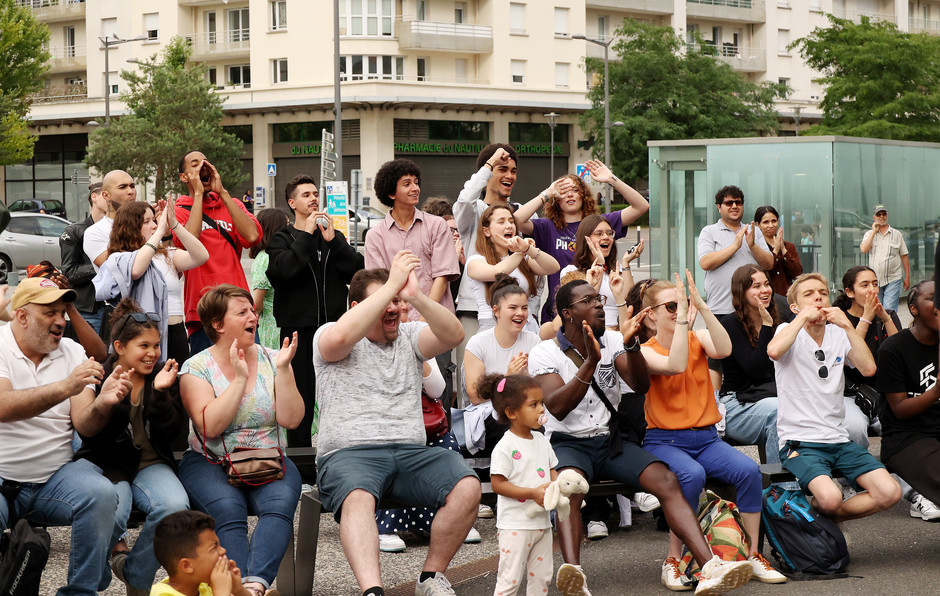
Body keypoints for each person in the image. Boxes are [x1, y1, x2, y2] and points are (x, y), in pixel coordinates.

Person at [528, 279, 753, 596]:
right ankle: (574, 574)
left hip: (611, 441)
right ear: (567, 313)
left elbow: (640, 383)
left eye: (599, 298)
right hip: (568, 443)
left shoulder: (615, 339)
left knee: (667, 480)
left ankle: (711, 567)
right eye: (588, 300)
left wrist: (632, 345)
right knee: (569, 488)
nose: (597, 304)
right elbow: (558, 407)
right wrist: (591, 361)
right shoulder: (544, 352)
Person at [312, 254, 479, 596]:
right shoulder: (330, 333)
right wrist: (391, 286)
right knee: (357, 497)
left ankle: (430, 578)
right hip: (349, 455)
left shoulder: (410, 334)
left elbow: (454, 334)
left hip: (410, 454)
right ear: (360, 305)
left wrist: (415, 296)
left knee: (467, 486)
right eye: (385, 301)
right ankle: (372, 591)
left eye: (397, 302)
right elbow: (340, 338)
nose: (394, 308)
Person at [639, 272, 783, 588]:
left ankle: (750, 555)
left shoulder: (697, 339)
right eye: (670, 306)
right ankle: (673, 561)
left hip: (705, 437)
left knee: (748, 470)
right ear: (651, 315)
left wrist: (703, 308)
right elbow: (675, 364)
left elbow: (724, 349)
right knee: (691, 475)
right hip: (665, 440)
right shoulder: (646, 350)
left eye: (681, 305)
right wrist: (683, 325)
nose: (678, 312)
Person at [0, 277, 130, 596]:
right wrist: (66, 387)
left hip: (52, 480)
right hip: (2, 479)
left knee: (100, 494)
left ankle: (81, 592)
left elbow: (85, 424)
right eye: (50, 313)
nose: (61, 321)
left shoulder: (71, 351)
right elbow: (2, 406)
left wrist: (103, 403)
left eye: (63, 312)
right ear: (21, 316)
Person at [178, 284, 304, 596]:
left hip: (267, 457)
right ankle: (238, 589)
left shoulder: (274, 358)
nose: (254, 316)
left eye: (252, 310)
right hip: (211, 461)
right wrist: (240, 379)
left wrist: (285, 370)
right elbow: (210, 426)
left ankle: (252, 586)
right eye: (243, 312)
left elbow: (292, 419)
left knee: (279, 505)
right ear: (217, 325)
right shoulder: (195, 367)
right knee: (228, 510)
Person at [71, 298, 190, 596]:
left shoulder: (162, 375)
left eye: (156, 345)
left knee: (175, 508)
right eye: (144, 346)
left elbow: (174, 434)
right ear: (120, 347)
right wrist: (116, 400)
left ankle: (134, 572)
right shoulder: (100, 375)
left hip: (152, 465)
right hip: (109, 465)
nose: (152, 354)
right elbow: (94, 439)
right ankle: (94, 577)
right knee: (113, 509)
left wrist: (162, 395)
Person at [767, 273, 901, 523]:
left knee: (890, 492)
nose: (818, 296)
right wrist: (801, 318)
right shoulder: (787, 330)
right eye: (808, 294)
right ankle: (824, 517)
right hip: (800, 442)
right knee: (831, 498)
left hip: (839, 439)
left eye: (822, 292)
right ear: (794, 306)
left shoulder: (839, 334)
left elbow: (868, 369)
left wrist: (848, 326)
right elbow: (774, 351)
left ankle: (821, 521)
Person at [266, 174, 364, 447]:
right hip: (298, 332)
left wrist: (334, 242)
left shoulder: (332, 237)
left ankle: (340, 453)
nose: (313, 199)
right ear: (292, 202)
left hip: (334, 332)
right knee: (301, 400)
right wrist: (306, 235)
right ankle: (301, 463)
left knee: (338, 398)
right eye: (306, 195)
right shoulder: (282, 239)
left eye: (315, 194)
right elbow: (282, 272)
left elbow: (357, 271)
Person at [513, 160, 649, 323]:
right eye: (563, 191)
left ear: (583, 195)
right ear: (556, 198)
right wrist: (547, 193)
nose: (569, 194)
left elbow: (641, 206)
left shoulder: (600, 223)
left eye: (575, 190)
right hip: (560, 310)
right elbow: (517, 220)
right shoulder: (548, 227)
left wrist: (611, 179)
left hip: (598, 308)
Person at [95, 199, 209, 363]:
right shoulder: (120, 258)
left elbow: (201, 256)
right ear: (130, 227)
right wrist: (159, 232)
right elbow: (136, 270)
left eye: (154, 220)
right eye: (147, 222)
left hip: (175, 332)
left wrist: (175, 224)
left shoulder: (166, 255)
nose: (155, 225)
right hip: (142, 336)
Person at [175, 151, 262, 354]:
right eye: (195, 165)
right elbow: (190, 242)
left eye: (206, 163)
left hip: (240, 308)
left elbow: (252, 237)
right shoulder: (179, 211)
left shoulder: (232, 204)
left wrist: (222, 193)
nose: (203, 167)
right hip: (202, 312)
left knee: (250, 372)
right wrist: (198, 194)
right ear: (184, 177)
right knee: (207, 377)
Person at [453, 144, 519, 406]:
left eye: (514, 171)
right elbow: (464, 199)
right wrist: (489, 163)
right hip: (472, 312)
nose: (510, 175)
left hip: (515, 313)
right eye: (503, 169)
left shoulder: (520, 213)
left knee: (514, 382)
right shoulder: (474, 212)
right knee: (474, 386)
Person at [485, 373, 558, 596]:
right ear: (512, 412)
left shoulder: (542, 440)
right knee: (510, 578)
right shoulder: (505, 446)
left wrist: (559, 489)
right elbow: (497, 484)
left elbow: (552, 470)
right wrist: (531, 492)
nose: (541, 409)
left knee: (542, 576)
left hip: (542, 524)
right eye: (534, 404)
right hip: (515, 525)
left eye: (542, 403)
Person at [878, 281, 940, 520]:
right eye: (933, 297)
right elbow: (900, 410)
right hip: (907, 437)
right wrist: (935, 392)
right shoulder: (893, 349)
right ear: (913, 309)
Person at [718, 265, 782, 464]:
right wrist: (765, 326)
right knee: (780, 413)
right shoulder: (730, 324)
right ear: (741, 292)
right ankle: (780, 487)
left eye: (766, 284)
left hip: (770, 395)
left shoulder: (781, 319)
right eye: (756, 286)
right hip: (737, 402)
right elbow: (755, 370)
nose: (764, 290)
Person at [466, 202, 559, 334]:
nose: (509, 226)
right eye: (501, 222)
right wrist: (521, 251)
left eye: (511, 221)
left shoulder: (522, 260)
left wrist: (529, 250)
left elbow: (553, 267)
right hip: (493, 329)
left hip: (527, 328)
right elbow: (497, 273)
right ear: (486, 231)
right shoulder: (476, 261)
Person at [833, 265, 901, 441]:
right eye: (865, 285)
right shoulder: (839, 319)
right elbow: (850, 357)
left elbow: (900, 353)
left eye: (875, 284)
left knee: (899, 424)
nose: (872, 290)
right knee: (854, 429)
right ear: (850, 292)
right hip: (850, 392)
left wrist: (885, 318)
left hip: (884, 391)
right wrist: (866, 319)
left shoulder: (888, 316)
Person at [697, 186, 773, 316]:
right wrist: (734, 247)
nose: (734, 206)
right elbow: (705, 263)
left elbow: (769, 263)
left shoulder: (754, 231)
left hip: (752, 310)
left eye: (738, 203)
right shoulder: (709, 231)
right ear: (719, 207)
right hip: (721, 308)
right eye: (728, 203)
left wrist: (753, 246)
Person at [559, 214, 643, 330]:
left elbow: (630, 304)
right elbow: (586, 304)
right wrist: (599, 263)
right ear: (586, 239)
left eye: (609, 233)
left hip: (620, 332)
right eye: (599, 234)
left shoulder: (618, 270)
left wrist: (626, 263)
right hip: (589, 331)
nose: (606, 237)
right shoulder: (570, 271)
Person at [152, 510, 251, 596]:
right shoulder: (160, 593)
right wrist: (221, 593)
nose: (223, 550)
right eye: (214, 547)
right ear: (187, 566)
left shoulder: (205, 586)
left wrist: (238, 590)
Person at [60, 181, 109, 337]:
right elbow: (69, 272)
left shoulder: (121, 229)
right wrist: (101, 263)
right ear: (94, 197)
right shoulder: (74, 231)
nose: (110, 199)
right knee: (90, 356)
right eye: (105, 194)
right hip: (89, 309)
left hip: (115, 307)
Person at [249, 208, 290, 350]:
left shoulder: (268, 256)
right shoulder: (266, 258)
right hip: (272, 326)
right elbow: (257, 304)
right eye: (286, 225)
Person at [84, 169, 139, 271]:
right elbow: (118, 269)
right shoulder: (94, 232)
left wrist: (165, 233)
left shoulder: (147, 224)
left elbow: (172, 270)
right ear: (106, 195)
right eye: (122, 187)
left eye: (132, 186)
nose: (130, 191)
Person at [860, 204, 910, 313]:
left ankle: (891, 330)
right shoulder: (869, 234)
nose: (882, 216)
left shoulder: (897, 234)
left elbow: (904, 255)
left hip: (893, 278)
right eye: (879, 214)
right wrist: (874, 232)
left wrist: (907, 277)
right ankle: (881, 330)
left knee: (889, 310)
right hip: (875, 281)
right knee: (877, 309)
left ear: (887, 215)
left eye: (884, 214)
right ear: (874, 218)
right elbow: (863, 249)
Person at [753, 206, 802, 296]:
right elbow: (764, 273)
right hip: (766, 297)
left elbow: (797, 273)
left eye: (774, 221)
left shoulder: (789, 247)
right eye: (766, 222)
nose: (771, 225)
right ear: (758, 224)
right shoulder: (756, 248)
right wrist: (775, 251)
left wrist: (783, 250)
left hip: (787, 298)